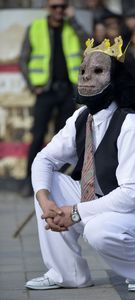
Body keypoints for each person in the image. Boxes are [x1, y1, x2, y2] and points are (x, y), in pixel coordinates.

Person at [25, 36, 135, 292]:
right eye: (83, 70)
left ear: (115, 79)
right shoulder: (81, 117)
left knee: (98, 230)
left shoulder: (132, 125)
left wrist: (73, 213)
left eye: (97, 71)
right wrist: (47, 203)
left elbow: (130, 196)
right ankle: (68, 273)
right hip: (106, 200)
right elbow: (44, 159)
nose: (85, 77)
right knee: (48, 182)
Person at [19, 0, 86, 196]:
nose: (59, 10)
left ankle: (57, 182)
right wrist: (33, 86)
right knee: (38, 135)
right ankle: (29, 181)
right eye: (54, 6)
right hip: (45, 91)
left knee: (63, 138)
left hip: (68, 90)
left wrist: (73, 20)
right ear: (47, 7)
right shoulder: (36, 27)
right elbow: (23, 58)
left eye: (62, 6)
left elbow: (88, 44)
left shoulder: (72, 27)